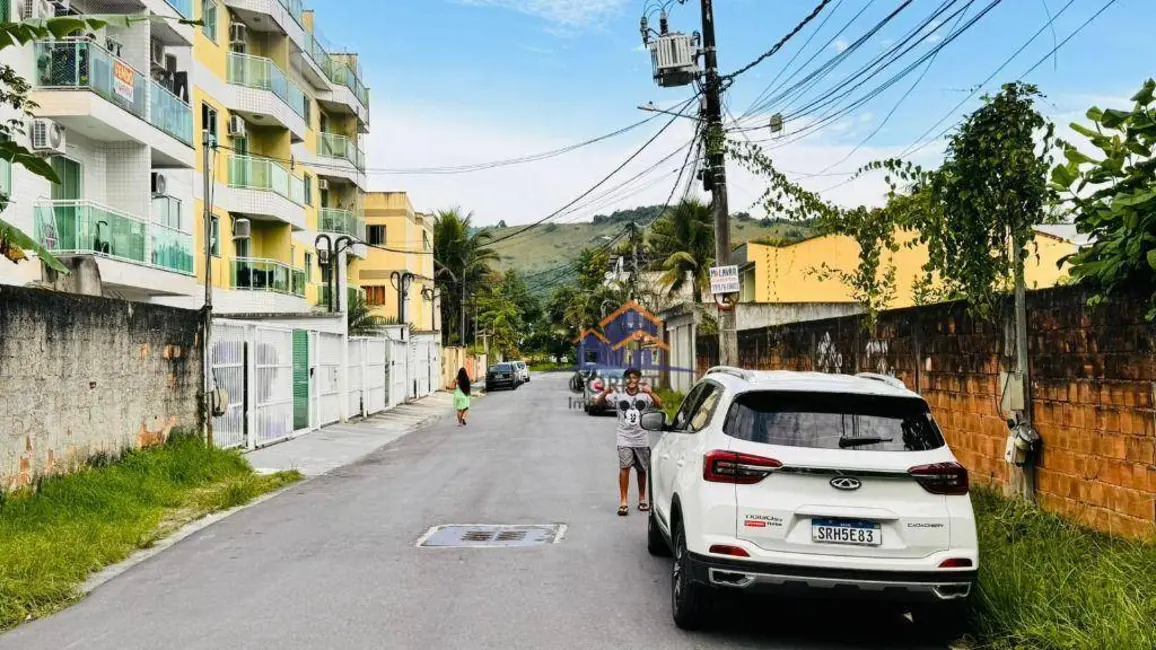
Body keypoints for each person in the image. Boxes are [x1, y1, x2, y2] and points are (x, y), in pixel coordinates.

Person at [595, 367, 662, 516]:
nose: (632, 381)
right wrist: (606, 392)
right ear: (625, 380)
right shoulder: (618, 395)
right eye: (629, 378)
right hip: (624, 438)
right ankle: (623, 501)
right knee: (624, 468)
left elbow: (660, 405)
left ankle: (642, 498)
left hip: (641, 439)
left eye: (635, 378)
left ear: (638, 380)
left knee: (642, 470)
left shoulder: (645, 396)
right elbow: (598, 403)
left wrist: (651, 392)